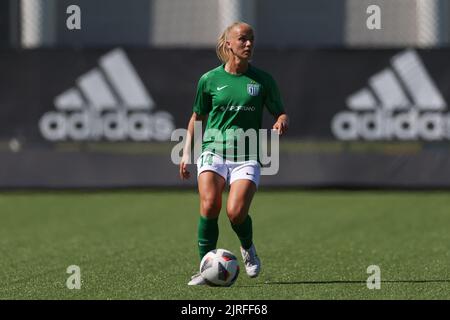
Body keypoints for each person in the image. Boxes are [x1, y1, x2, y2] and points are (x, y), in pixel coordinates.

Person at [179, 21, 289, 285]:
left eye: (251, 39)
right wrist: (185, 153)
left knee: (235, 212)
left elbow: (280, 111)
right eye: (242, 39)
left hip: (247, 154)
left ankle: (248, 248)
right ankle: (205, 268)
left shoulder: (263, 80)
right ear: (228, 43)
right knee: (209, 205)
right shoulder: (209, 79)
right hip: (213, 151)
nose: (248, 44)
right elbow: (197, 116)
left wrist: (281, 120)